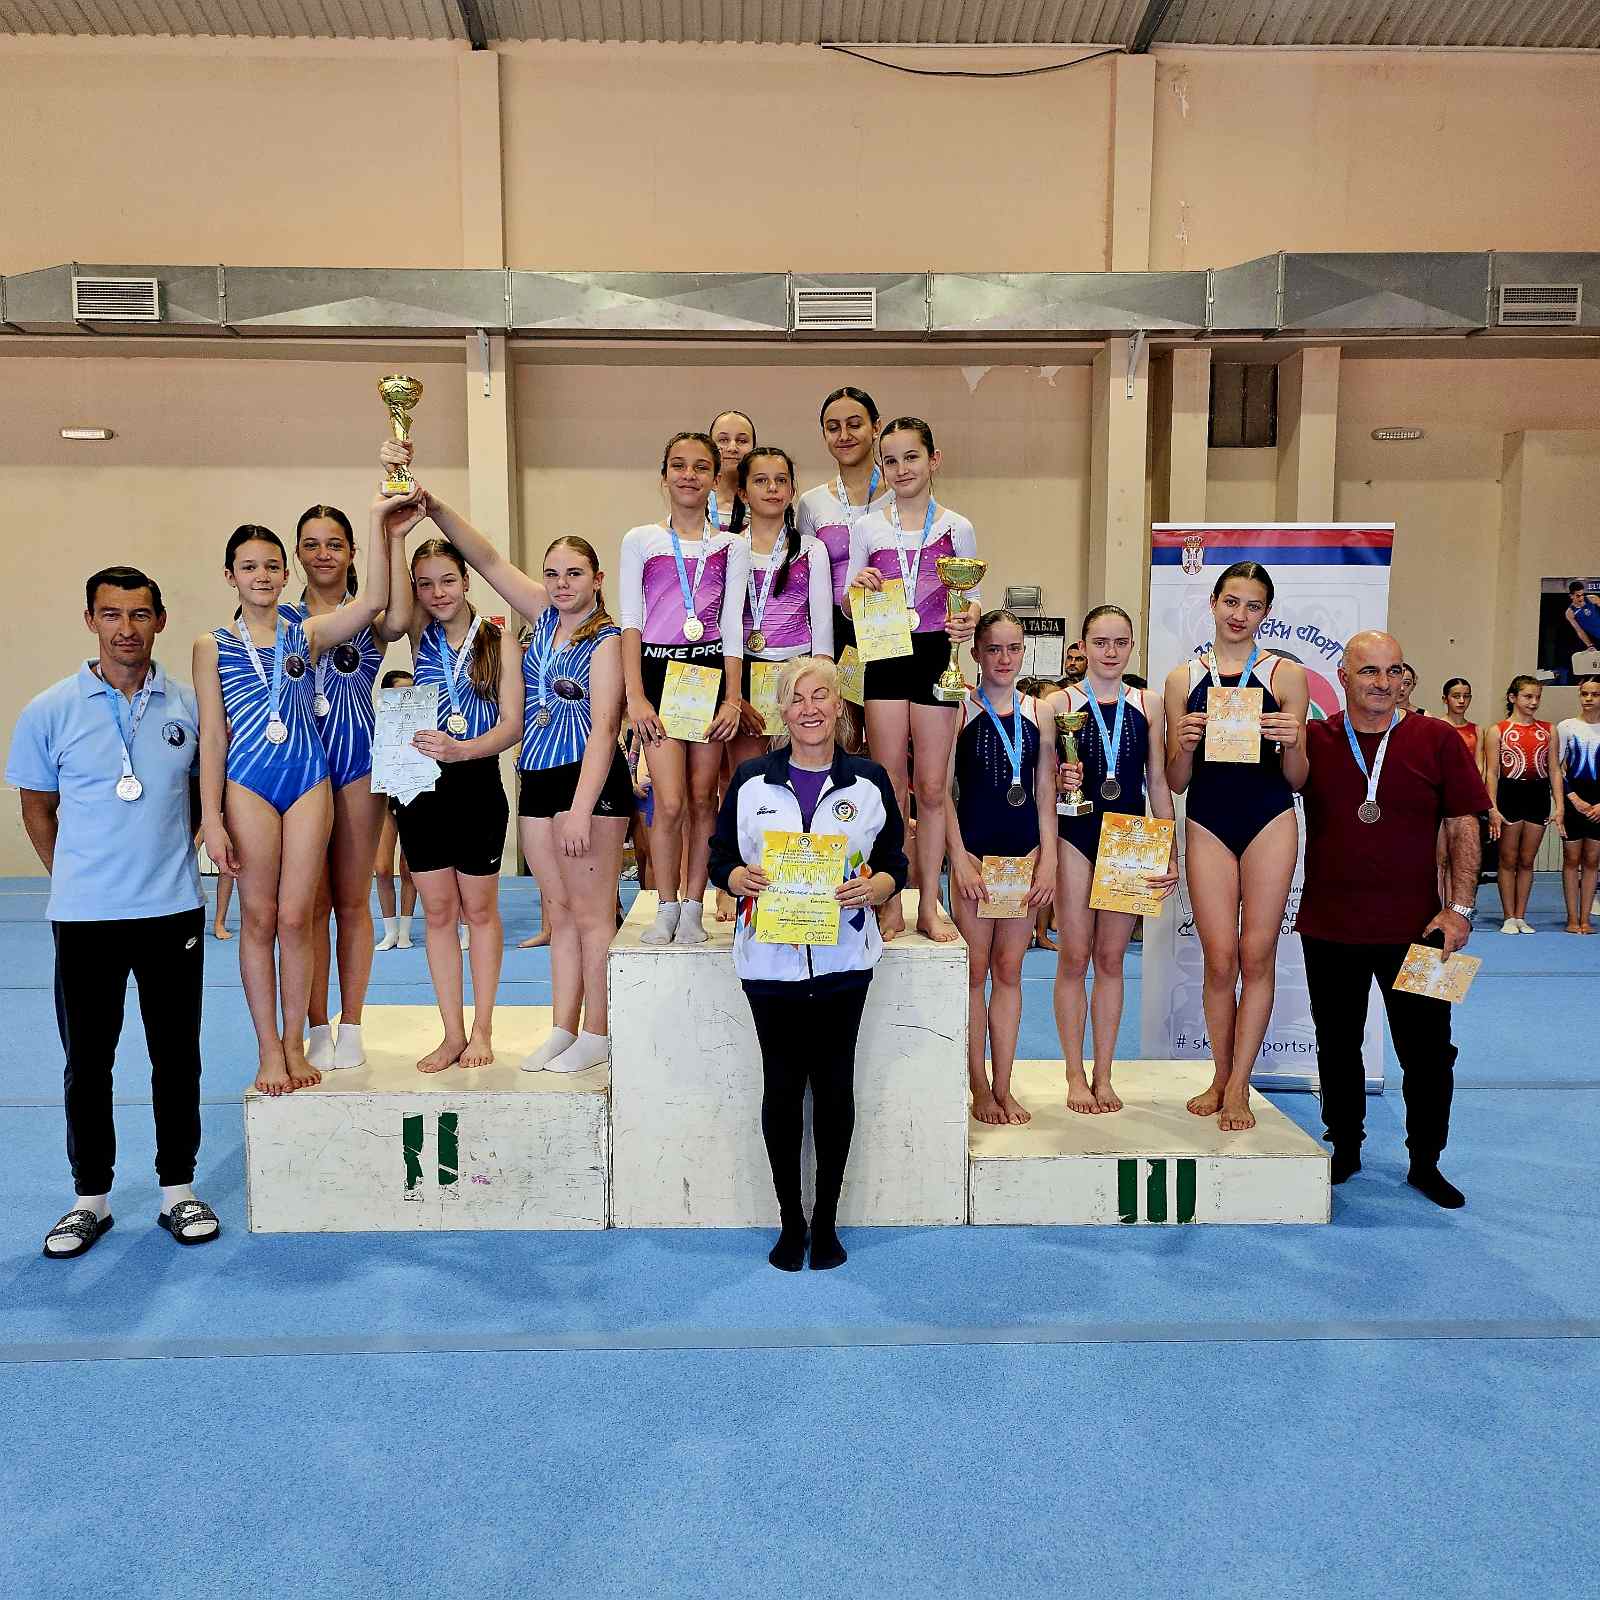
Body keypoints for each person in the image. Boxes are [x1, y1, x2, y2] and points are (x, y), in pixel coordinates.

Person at [382, 479, 630, 1075]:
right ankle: (563, 1027)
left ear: (598, 579)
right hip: (536, 778)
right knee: (559, 911)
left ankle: (597, 1030)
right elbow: (488, 558)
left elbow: (603, 729)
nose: (561, 584)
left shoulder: (606, 640)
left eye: (574, 573)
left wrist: (581, 806)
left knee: (593, 914)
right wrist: (432, 509)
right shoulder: (540, 620)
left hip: (585, 781)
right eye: (552, 574)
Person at [9, 567, 220, 1257]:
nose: (126, 629)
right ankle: (89, 1199)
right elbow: (37, 807)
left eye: (139, 614)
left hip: (172, 911)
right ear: (90, 620)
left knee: (176, 1057)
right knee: (88, 1062)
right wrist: (75, 876)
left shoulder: (190, 706)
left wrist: (173, 855)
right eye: (111, 614)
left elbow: (203, 797)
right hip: (85, 917)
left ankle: (177, 1190)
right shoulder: (49, 710)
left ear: (160, 620)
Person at [708, 655, 908, 1272]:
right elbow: (719, 858)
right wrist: (737, 878)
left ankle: (826, 1222)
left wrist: (877, 889)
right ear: (781, 711)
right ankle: (790, 1221)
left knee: (835, 1087)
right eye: (796, 698)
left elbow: (895, 862)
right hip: (769, 964)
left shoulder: (868, 780)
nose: (810, 708)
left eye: (821, 696)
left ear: (839, 706)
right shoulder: (751, 779)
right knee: (782, 1088)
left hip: (844, 960)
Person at [194, 510, 400, 1096]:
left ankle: (294, 1041)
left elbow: (375, 602)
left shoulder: (304, 634)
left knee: (295, 915)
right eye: (248, 567)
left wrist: (382, 520)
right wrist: (211, 815)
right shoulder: (211, 645)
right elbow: (213, 737)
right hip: (249, 784)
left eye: (271, 566)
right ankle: (268, 1049)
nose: (261, 576)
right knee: (259, 918)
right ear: (229, 575)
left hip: (310, 780)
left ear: (287, 574)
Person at [1296, 630, 1489, 1208]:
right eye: (1369, 671)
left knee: (1430, 1053)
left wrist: (1459, 909)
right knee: (1336, 1046)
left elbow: (1463, 823)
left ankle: (1425, 1161)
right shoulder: (1314, 741)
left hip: (1421, 930)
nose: (1383, 683)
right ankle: (1345, 1147)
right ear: (1343, 677)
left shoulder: (1437, 738)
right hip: (1329, 927)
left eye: (1393, 671)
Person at [1163, 562, 1309, 1133]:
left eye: (1252, 606)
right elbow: (1177, 781)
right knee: (1220, 958)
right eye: (1231, 601)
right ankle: (1220, 1075)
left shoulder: (1285, 675)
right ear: (1213, 602)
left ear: (1265, 613)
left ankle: (1241, 1084)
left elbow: (1297, 778)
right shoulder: (1182, 678)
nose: (1239, 614)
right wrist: (1181, 743)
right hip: (1208, 820)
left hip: (1270, 818)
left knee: (1257, 954)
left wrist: (1293, 742)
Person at [378, 510, 524, 1072]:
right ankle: (451, 1032)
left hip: (475, 780)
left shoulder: (498, 639)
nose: (437, 593)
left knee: (479, 911)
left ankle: (483, 1028)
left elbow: (512, 724)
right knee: (437, 912)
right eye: (425, 584)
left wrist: (463, 750)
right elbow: (393, 610)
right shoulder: (420, 632)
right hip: (420, 785)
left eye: (447, 580)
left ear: (466, 581)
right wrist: (395, 534)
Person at [844, 416, 979, 942]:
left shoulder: (957, 527)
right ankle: (891, 898)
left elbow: (970, 597)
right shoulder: (867, 527)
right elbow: (848, 603)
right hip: (883, 654)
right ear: (882, 467)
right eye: (891, 460)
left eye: (912, 457)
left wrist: (968, 620)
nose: (902, 468)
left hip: (935, 655)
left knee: (932, 786)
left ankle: (928, 902)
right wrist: (857, 587)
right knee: (890, 784)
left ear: (933, 460)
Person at [1042, 604, 1178, 1114]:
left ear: (1132, 646)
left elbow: (1158, 780)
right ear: (1082, 646)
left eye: (1121, 642)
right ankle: (1073, 1075)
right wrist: (1060, 780)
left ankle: (1104, 1073)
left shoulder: (1149, 702)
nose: (1111, 652)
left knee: (1111, 959)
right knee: (1074, 955)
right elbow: (1042, 779)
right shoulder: (1058, 703)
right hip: (1076, 833)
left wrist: (1169, 848)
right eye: (1100, 642)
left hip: (1129, 838)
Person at [620, 431, 748, 946]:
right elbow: (631, 621)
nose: (689, 475)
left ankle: (694, 905)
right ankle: (666, 903)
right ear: (664, 476)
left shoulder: (731, 546)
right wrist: (635, 696)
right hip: (657, 672)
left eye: (700, 467)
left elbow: (733, 625)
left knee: (702, 797)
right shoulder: (640, 540)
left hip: (708, 674)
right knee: (668, 802)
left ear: (716, 479)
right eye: (679, 465)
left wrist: (733, 697)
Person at [944, 610, 1056, 1125]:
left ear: (1024, 651)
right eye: (994, 649)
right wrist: (958, 857)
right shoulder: (959, 708)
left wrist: (1047, 859)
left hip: (1023, 858)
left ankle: (1004, 1084)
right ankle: (976, 1084)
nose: (1005, 659)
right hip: (975, 857)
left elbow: (1044, 791)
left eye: (1013, 648)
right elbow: (939, 792)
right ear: (976, 653)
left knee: (1010, 972)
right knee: (974, 973)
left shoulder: (1041, 712)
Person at [293, 504, 388, 1071]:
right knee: (310, 904)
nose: (323, 554)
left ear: (353, 552)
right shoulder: (281, 619)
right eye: (311, 544)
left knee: (352, 899)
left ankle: (351, 1022)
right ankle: (315, 1023)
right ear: (297, 554)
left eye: (335, 543)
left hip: (357, 761)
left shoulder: (372, 613)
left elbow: (400, 610)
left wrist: (391, 531)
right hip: (299, 765)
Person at [727, 444, 833, 776]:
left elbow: (823, 629)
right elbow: (721, 625)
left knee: (801, 775)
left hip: (798, 674)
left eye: (781, 480)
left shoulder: (813, 550)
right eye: (761, 480)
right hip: (743, 673)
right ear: (743, 492)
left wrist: (819, 692)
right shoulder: (727, 547)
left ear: (791, 490)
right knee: (746, 779)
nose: (772, 488)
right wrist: (733, 695)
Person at [796, 386, 890, 660]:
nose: (844, 436)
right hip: (833, 631)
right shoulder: (811, 502)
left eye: (855, 425)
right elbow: (806, 582)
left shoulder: (901, 495)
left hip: (891, 623)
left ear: (876, 427)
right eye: (833, 428)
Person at [1484, 674, 1564, 934]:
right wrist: (1492, 807)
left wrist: (1560, 806)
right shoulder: (1498, 730)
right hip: (1509, 793)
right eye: (1528, 697)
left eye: (1537, 697)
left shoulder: (1548, 730)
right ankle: (1508, 916)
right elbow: (1491, 773)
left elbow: (1554, 770)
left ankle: (1521, 916)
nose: (1534, 702)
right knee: (1508, 859)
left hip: (1537, 794)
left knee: (1528, 860)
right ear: (1513, 697)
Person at [373, 668, 417, 949]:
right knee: (382, 868)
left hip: (413, 797)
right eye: (401, 692)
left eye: (411, 692)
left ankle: (405, 931)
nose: (406, 698)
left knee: (409, 868)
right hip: (385, 800)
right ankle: (389, 929)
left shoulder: (422, 724)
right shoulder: (376, 723)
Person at [1558, 676, 1600, 934]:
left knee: (1593, 859)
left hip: (1598, 805)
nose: (1588, 698)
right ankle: (1572, 919)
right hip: (1574, 800)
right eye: (1584, 694)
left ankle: (1586, 919)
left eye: (1594, 694)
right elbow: (1556, 768)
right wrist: (1572, 798)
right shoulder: (1566, 727)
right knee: (1571, 859)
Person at [708, 408, 756, 531]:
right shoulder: (697, 500)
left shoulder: (765, 502)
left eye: (742, 441)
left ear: (754, 448)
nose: (732, 448)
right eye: (723, 440)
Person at [1563, 580, 1600, 682]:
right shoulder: (1570, 613)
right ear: (1571, 596)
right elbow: (1579, 631)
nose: (1581, 598)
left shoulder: (1592, 599)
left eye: (1582, 595)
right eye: (1578, 596)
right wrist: (1590, 645)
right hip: (1595, 638)